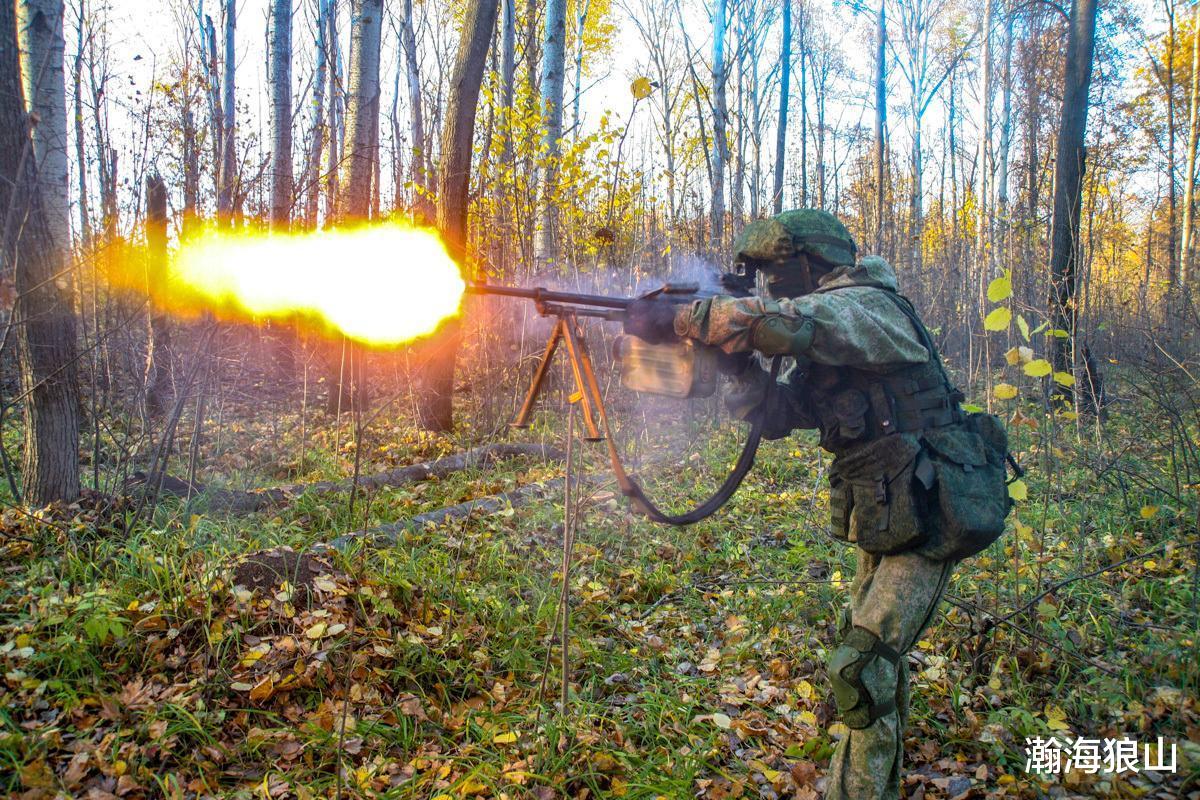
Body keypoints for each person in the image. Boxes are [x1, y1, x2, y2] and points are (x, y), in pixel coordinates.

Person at [624, 209, 1011, 800]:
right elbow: (780, 414)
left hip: (936, 508)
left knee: (861, 666)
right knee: (874, 666)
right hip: (887, 508)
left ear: (813, 262)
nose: (770, 283)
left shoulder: (867, 307)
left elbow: (787, 324)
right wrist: (737, 367)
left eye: (777, 270)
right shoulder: (830, 339)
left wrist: (683, 318)